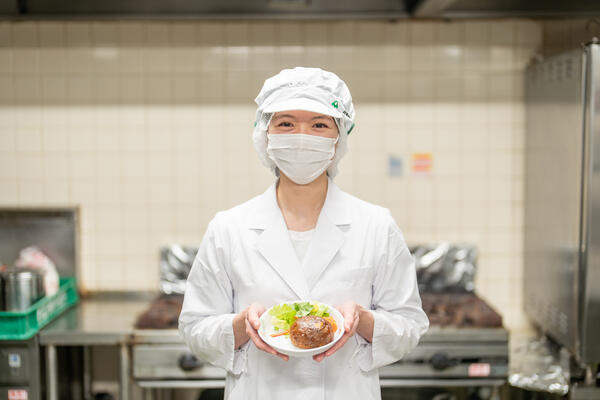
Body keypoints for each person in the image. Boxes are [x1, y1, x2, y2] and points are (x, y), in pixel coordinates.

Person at [179, 67, 429, 400]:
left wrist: (364, 320)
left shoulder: (375, 225)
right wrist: (242, 326)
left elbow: (409, 324)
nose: (301, 136)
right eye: (285, 123)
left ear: (338, 137)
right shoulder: (229, 228)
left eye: (319, 124)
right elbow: (195, 327)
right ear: (264, 134)